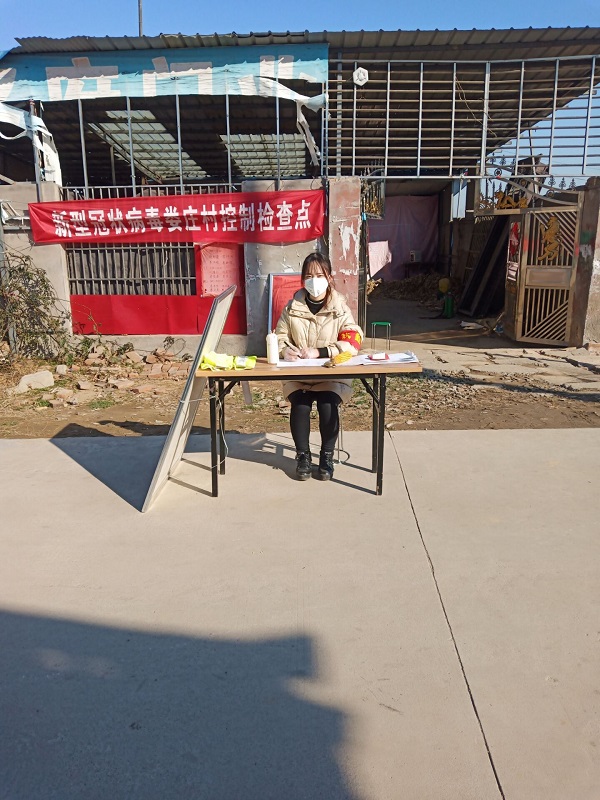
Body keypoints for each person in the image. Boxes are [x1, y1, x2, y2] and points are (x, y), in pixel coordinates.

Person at [275, 252, 363, 481]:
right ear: (302, 279)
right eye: (309, 276)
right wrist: (285, 350)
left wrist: (322, 352)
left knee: (327, 403)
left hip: (330, 375)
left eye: (319, 275)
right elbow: (279, 336)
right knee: (300, 405)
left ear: (329, 277)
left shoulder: (340, 307)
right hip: (299, 375)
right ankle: (303, 456)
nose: (314, 280)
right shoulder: (292, 307)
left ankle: (326, 457)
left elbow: (353, 340)